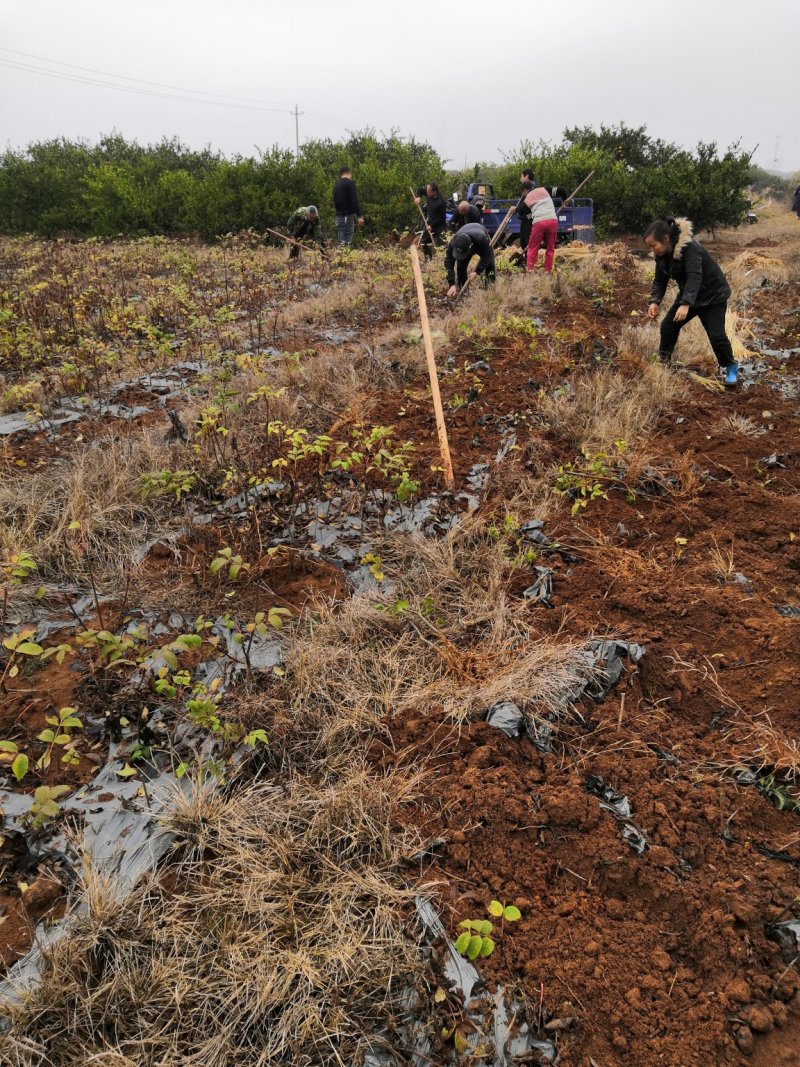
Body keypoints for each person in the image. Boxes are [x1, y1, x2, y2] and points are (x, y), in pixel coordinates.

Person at [645, 217, 738, 386]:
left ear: (666, 238)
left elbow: (695, 276)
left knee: (716, 335)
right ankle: (663, 362)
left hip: (713, 296)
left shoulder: (690, 249)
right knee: (668, 326)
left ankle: (731, 367)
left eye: (653, 245)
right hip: (689, 293)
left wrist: (685, 303)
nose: (652, 250)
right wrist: (654, 301)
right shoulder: (662, 255)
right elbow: (659, 280)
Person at [444, 222, 495, 298]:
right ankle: (463, 292)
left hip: (479, 233)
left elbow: (487, 256)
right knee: (461, 266)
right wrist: (452, 284)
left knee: (490, 264)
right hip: (465, 233)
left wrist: (477, 272)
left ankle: (490, 290)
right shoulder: (453, 242)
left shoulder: (481, 239)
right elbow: (448, 262)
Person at [524, 184, 558, 273]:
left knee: (532, 248)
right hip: (552, 220)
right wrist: (564, 201)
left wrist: (517, 211)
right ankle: (548, 271)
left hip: (539, 222)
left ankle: (530, 271)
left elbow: (525, 214)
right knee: (550, 248)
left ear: (525, 191)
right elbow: (561, 191)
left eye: (523, 193)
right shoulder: (544, 189)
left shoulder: (527, 198)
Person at [414, 181, 447, 258]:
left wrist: (432, 225)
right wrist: (418, 197)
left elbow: (442, 218)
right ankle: (428, 259)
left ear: (434, 192)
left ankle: (441, 261)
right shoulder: (429, 192)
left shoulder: (441, 203)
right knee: (425, 242)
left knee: (440, 245)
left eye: (428, 192)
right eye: (427, 191)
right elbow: (420, 190)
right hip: (429, 222)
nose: (427, 193)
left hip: (439, 225)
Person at [332, 166, 364, 245]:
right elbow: (354, 201)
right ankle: (343, 257)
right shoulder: (349, 183)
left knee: (341, 241)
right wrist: (359, 216)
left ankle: (339, 256)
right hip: (346, 217)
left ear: (340, 174)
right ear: (349, 173)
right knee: (346, 243)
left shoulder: (336, 185)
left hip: (338, 217)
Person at [515, 179, 535, 267]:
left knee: (527, 243)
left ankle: (529, 263)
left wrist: (523, 216)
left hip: (529, 223)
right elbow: (519, 209)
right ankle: (526, 261)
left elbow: (532, 213)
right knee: (523, 242)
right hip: (524, 223)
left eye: (523, 191)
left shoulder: (532, 197)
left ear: (526, 190)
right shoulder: (524, 197)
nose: (522, 193)